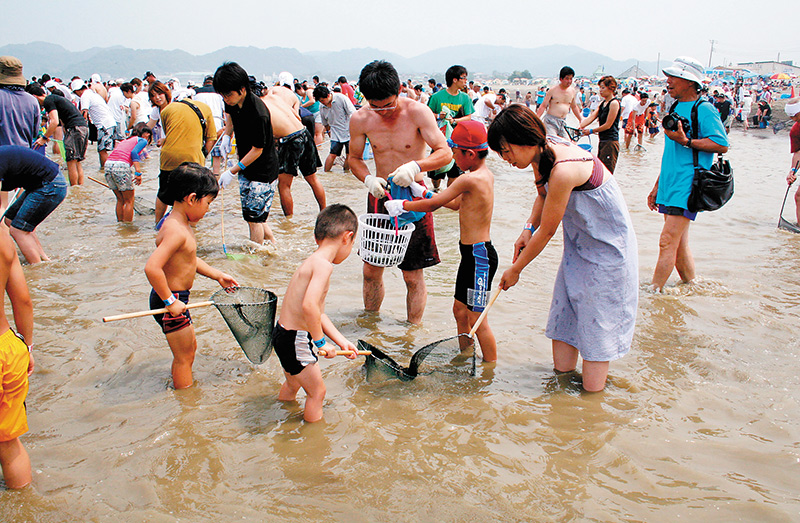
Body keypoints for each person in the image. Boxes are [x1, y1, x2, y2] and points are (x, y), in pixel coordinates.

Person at [488, 104, 638, 392]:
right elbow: (542, 199)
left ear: (527, 139)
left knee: (597, 329)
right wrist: (525, 230)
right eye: (500, 153)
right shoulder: (539, 156)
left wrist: (516, 269)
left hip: (609, 251)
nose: (505, 159)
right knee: (565, 316)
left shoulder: (563, 169)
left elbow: (548, 230)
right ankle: (561, 397)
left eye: (507, 151)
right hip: (579, 247)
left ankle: (592, 406)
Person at [384, 121, 498, 361]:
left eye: (455, 153)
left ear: (470, 153)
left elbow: (435, 205)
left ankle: (489, 372)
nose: (453, 158)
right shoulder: (476, 176)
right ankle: (466, 358)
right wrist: (421, 190)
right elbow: (455, 204)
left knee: (478, 319)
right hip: (471, 255)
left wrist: (402, 205)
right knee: (459, 311)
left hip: (480, 257)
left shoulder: (472, 179)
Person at [349, 60, 452, 324]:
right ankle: (370, 325)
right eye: (376, 106)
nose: (383, 111)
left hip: (414, 197)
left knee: (412, 273)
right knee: (371, 269)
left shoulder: (418, 112)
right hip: (380, 196)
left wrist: (417, 165)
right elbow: (354, 159)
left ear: (399, 91)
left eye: (389, 104)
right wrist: (368, 179)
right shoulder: (361, 118)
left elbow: (445, 153)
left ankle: (411, 332)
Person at [144, 163, 238, 389]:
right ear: (191, 198)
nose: (207, 210)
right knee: (184, 357)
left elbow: (187, 260)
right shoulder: (177, 230)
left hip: (175, 298)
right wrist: (170, 301)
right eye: (207, 203)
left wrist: (217, 275)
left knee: (189, 350)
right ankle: (185, 404)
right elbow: (152, 268)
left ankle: (182, 389)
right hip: (171, 300)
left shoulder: (178, 222)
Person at [647, 57, 728, 292]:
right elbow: (671, 154)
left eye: (674, 77)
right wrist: (657, 187)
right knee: (678, 244)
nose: (668, 81)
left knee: (666, 241)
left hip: (689, 183)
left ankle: (654, 294)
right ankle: (692, 288)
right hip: (670, 183)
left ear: (690, 82)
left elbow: (721, 144)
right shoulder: (674, 107)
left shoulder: (704, 108)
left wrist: (686, 140)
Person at [275, 204, 358, 422]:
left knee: (293, 383)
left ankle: (281, 415)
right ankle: (312, 445)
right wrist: (321, 344)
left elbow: (318, 313)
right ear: (347, 238)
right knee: (317, 393)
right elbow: (309, 307)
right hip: (296, 340)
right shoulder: (324, 266)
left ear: (316, 237)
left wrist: (342, 342)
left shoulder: (312, 261)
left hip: (283, 334)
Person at [213, 62, 280, 246]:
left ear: (242, 89)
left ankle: (255, 257)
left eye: (228, 94)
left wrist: (232, 171)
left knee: (254, 218)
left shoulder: (258, 113)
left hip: (263, 170)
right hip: (246, 166)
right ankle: (273, 245)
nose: (225, 99)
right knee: (253, 214)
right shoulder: (233, 103)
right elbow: (230, 117)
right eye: (223, 95)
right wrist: (227, 134)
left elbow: (257, 150)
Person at [146, 81, 217, 227]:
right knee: (192, 196)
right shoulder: (205, 109)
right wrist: (202, 154)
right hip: (193, 159)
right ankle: (190, 228)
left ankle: (157, 226)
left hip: (170, 157)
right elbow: (211, 138)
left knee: (164, 193)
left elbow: (169, 134)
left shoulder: (166, 110)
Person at [0, 212, 34, 489]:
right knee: (8, 441)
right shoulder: (2, 236)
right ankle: (24, 504)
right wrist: (27, 345)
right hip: (7, 347)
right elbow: (22, 300)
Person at [0, 146, 69, 264]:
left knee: (18, 230)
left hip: (50, 184)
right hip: (42, 183)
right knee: (11, 221)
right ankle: (44, 259)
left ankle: (37, 269)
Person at [26, 82, 89, 185]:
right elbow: (61, 120)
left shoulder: (48, 101)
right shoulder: (55, 99)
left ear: (34, 97)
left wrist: (44, 138)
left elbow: (54, 122)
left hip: (74, 128)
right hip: (82, 127)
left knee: (71, 162)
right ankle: (79, 190)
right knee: (77, 161)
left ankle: (74, 190)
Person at [104, 123, 152, 222]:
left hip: (108, 164)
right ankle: (128, 228)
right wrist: (138, 172)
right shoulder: (142, 140)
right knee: (129, 201)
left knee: (120, 200)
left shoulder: (126, 140)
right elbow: (134, 153)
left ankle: (121, 225)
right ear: (146, 134)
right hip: (121, 166)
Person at [579, 75, 621, 173]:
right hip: (602, 141)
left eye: (603, 87)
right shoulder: (602, 104)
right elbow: (592, 117)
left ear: (611, 88)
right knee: (600, 171)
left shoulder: (614, 103)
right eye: (599, 88)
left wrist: (591, 131)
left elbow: (608, 125)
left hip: (610, 142)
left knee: (607, 173)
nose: (600, 90)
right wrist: (580, 127)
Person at [72, 79, 117, 170]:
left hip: (104, 125)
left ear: (77, 90)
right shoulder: (92, 94)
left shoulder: (85, 96)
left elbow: (84, 112)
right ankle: (104, 169)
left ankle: (106, 170)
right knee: (104, 149)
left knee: (102, 150)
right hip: (109, 123)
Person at [315, 84, 356, 172]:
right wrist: (329, 133)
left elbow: (352, 113)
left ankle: (346, 172)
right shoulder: (322, 106)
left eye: (323, 100)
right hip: (335, 132)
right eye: (320, 101)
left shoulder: (341, 98)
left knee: (349, 154)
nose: (322, 102)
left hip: (349, 130)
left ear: (329, 95)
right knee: (332, 154)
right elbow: (325, 123)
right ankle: (326, 174)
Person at [192, 75, 227, 175]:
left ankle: (199, 174)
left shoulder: (197, 93)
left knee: (201, 152)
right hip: (217, 125)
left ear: (204, 83)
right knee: (216, 155)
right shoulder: (219, 94)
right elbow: (224, 111)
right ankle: (216, 176)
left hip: (201, 126)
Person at [536, 66, 582, 138]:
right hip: (550, 121)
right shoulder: (552, 90)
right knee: (552, 141)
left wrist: (580, 119)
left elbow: (574, 106)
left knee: (566, 143)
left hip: (562, 122)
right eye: (567, 78)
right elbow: (543, 105)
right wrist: (537, 118)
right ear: (561, 79)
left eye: (571, 79)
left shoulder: (572, 91)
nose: (569, 81)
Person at [783, 100, 800, 224]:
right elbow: (798, 152)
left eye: (796, 116)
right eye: (791, 117)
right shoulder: (795, 130)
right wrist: (793, 170)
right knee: (799, 196)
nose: (793, 119)